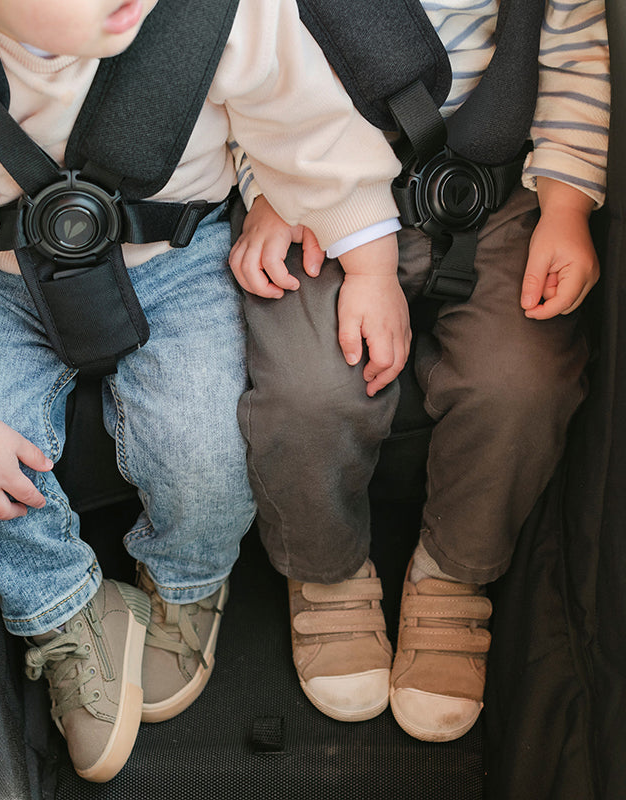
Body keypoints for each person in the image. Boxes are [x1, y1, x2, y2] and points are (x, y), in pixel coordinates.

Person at [0, 0, 406, 782]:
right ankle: (63, 609)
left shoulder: (216, 15)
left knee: (205, 446)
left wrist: (373, 265)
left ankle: (187, 578)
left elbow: (307, 128)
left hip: (177, 252)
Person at [229, 0, 609, 741]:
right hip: (317, 181)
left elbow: (574, 68)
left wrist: (567, 208)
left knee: (521, 380)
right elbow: (248, 64)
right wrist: (265, 185)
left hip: (496, 188)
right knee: (308, 386)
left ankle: (455, 570)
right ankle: (325, 567)